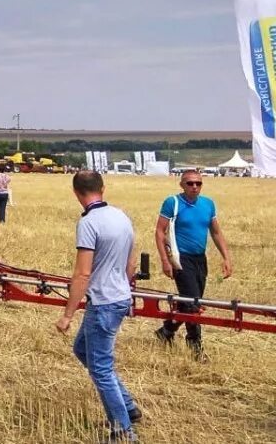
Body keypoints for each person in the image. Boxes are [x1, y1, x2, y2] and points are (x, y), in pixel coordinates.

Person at [55, 171, 140, 442]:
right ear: (102, 188)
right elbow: (132, 263)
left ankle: (123, 430)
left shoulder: (89, 223)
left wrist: (68, 314)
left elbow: (82, 274)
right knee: (82, 349)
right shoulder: (120, 216)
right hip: (119, 297)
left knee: (100, 368)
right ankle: (127, 406)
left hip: (103, 302)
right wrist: (122, 287)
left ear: (75, 192)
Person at [154, 170, 233, 361]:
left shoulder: (208, 204)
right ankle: (195, 345)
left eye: (198, 183)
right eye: (190, 183)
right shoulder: (172, 202)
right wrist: (165, 260)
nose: (194, 187)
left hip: (200, 259)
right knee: (193, 303)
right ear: (182, 185)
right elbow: (159, 231)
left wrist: (226, 257)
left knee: (190, 300)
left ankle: (166, 330)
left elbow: (215, 232)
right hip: (181, 258)